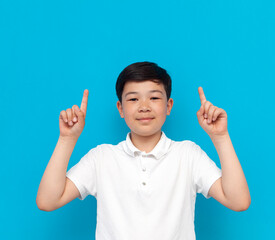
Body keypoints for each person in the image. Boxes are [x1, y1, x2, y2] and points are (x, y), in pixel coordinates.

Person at [36, 61, 251, 240]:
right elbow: (48, 201)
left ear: (169, 106)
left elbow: (238, 201)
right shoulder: (102, 158)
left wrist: (220, 137)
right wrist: (67, 139)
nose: (144, 106)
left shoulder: (188, 154)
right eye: (133, 99)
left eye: (154, 97)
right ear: (120, 108)